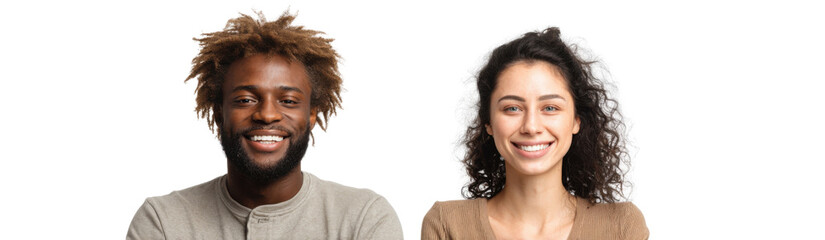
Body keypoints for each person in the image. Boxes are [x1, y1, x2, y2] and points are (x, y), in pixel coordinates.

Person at [127, 12, 402, 240]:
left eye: (289, 100)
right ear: (219, 112)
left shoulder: (364, 218)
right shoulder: (162, 221)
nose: (267, 114)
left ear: (312, 115)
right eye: (245, 99)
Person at [421, 28, 648, 239]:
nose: (531, 126)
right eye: (512, 108)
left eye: (550, 108)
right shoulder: (447, 224)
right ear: (488, 122)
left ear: (576, 121)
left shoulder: (621, 226)